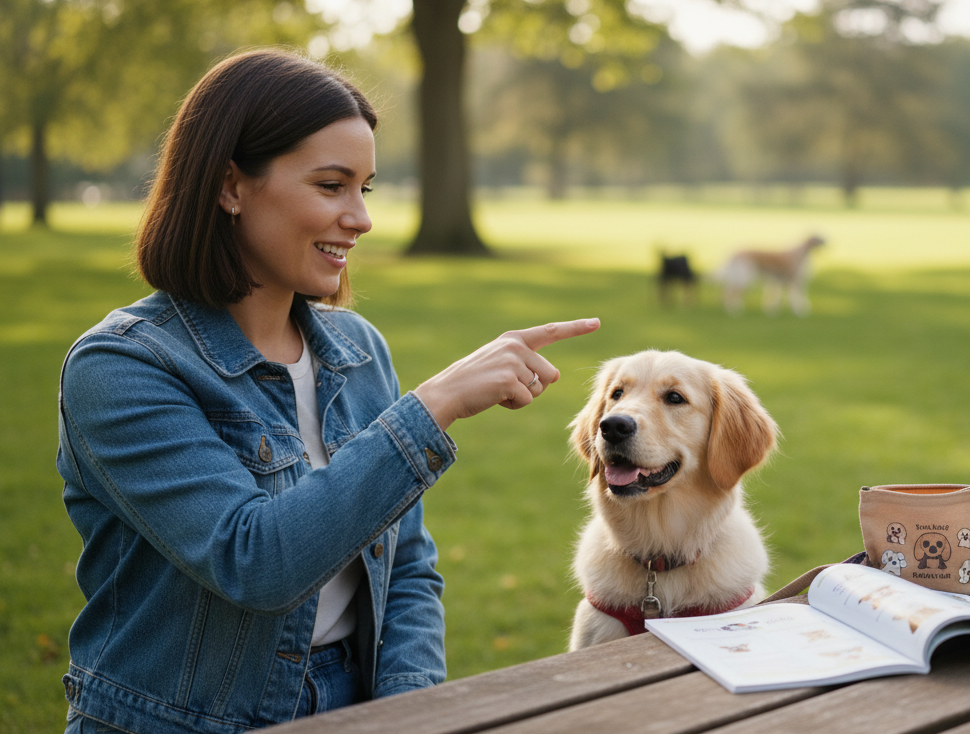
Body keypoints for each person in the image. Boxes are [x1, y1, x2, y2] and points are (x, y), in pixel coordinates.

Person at [55, 49, 599, 734]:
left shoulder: (358, 349)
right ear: (230, 185)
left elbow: (407, 565)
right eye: (331, 185)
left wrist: (411, 706)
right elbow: (254, 562)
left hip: (359, 701)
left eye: (364, 188)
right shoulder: (121, 368)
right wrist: (434, 407)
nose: (361, 218)